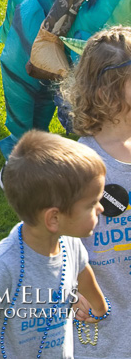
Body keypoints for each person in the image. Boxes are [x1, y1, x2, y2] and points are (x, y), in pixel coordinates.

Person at [0, 130, 109, 358]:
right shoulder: (3, 266)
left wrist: (98, 306)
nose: (101, 209)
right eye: (92, 204)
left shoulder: (70, 244)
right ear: (54, 218)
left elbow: (81, 271)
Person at [58, 27, 131, 357]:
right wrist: (72, 294)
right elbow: (50, 247)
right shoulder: (77, 167)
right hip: (99, 333)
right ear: (106, 91)